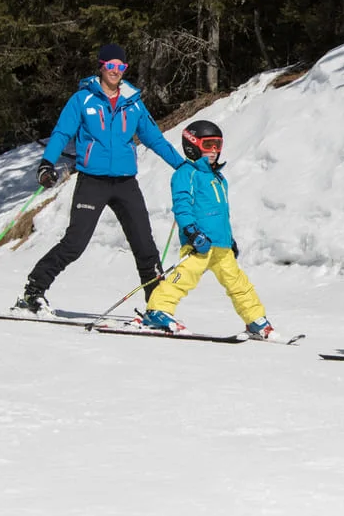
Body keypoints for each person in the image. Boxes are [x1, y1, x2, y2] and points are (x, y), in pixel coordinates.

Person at [15, 43, 185, 313]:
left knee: (144, 245)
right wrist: (46, 163)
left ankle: (157, 306)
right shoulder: (82, 99)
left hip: (125, 182)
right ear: (101, 66)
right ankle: (33, 291)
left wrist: (182, 166)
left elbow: (155, 139)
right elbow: (61, 133)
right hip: (92, 181)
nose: (116, 71)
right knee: (75, 243)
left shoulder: (133, 102)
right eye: (111, 66)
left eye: (121, 67)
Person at [140, 121, 275, 339]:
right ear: (192, 145)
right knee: (183, 277)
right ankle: (157, 311)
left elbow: (222, 213)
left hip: (221, 245)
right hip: (199, 243)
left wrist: (229, 239)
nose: (214, 150)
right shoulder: (186, 173)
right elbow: (182, 206)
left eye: (217, 145)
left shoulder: (219, 178)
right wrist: (192, 232)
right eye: (208, 144)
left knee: (238, 283)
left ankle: (256, 321)